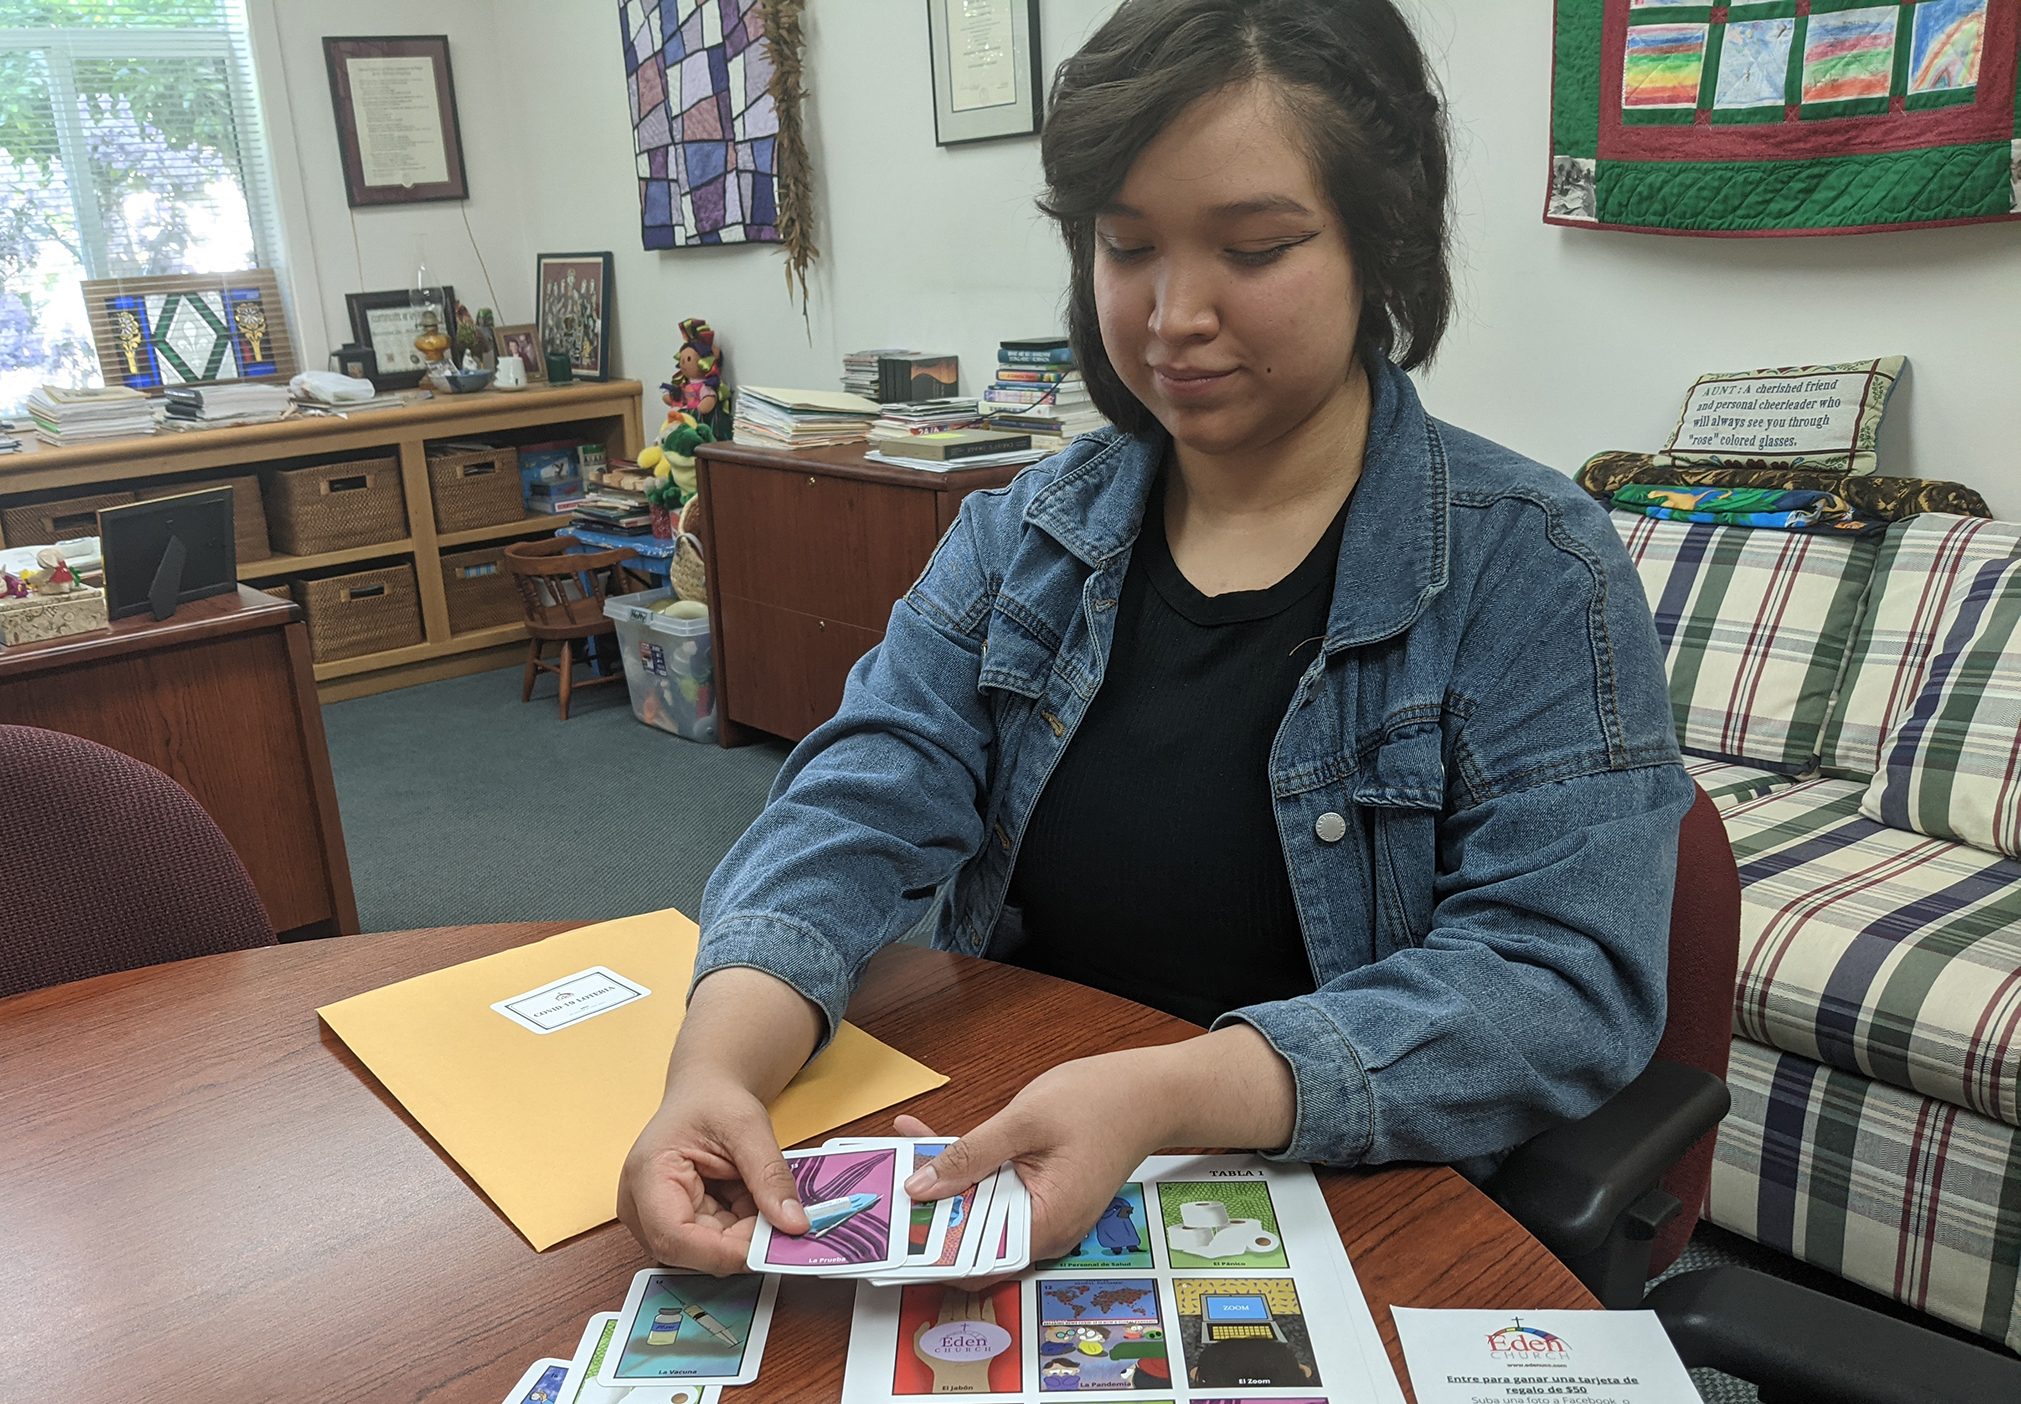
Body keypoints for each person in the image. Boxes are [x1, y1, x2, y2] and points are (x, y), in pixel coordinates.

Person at [618, 0, 1693, 1274]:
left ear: (1377, 246)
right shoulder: (1023, 534)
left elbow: (1559, 979)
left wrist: (1168, 1092)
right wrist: (715, 1061)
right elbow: (855, 800)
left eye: (1254, 249)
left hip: (1349, 1182)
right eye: (1127, 248)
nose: (1173, 314)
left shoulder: (1533, 565)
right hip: (1012, 1131)